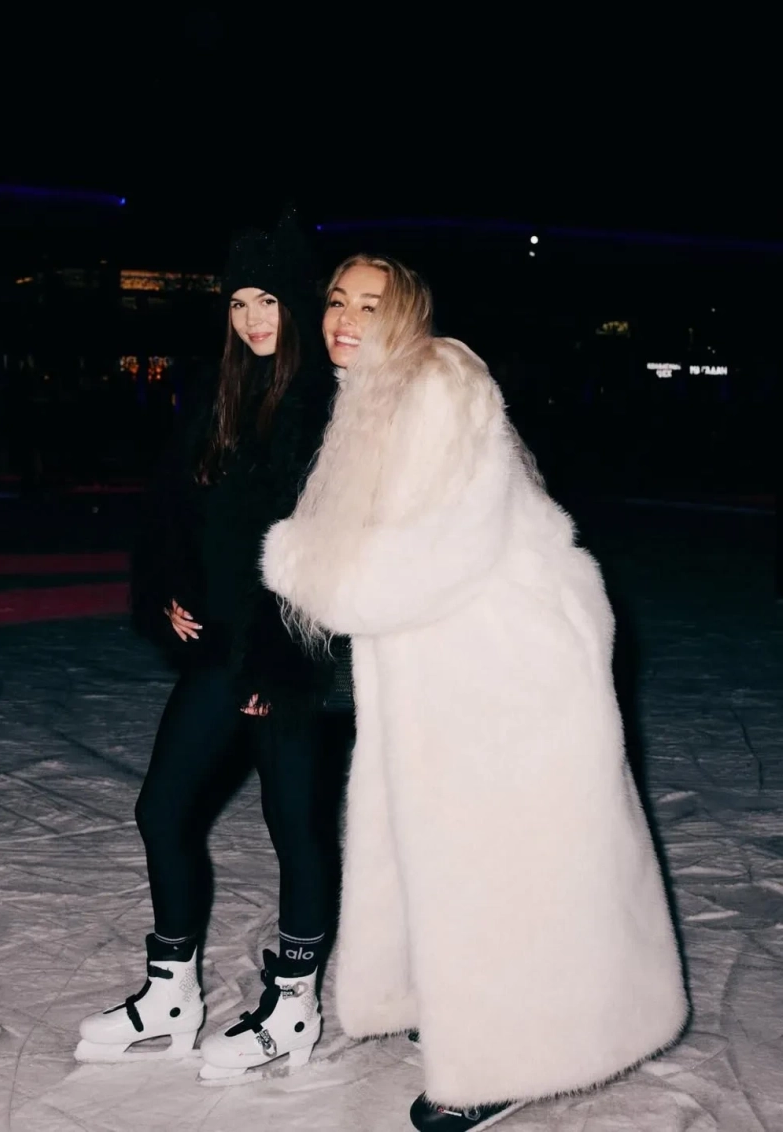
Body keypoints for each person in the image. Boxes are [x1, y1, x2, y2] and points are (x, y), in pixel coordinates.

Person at [262, 255, 688, 1129]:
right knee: (458, 847)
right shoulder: (376, 392)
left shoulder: (438, 384)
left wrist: (301, 566)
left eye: (370, 304)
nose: (346, 318)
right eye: (337, 300)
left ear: (406, 313)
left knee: (500, 860)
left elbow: (435, 552)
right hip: (454, 655)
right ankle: (468, 1007)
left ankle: (505, 1057)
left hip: (505, 664)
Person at [76, 210, 352, 1082]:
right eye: (238, 303)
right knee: (162, 808)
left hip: (292, 651)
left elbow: (330, 546)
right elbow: (178, 513)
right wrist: (169, 586)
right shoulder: (223, 394)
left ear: (297, 303)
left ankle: (295, 1005)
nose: (252, 318)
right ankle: (171, 993)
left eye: (268, 300)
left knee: (293, 822)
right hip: (222, 644)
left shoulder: (327, 406)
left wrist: (284, 655)